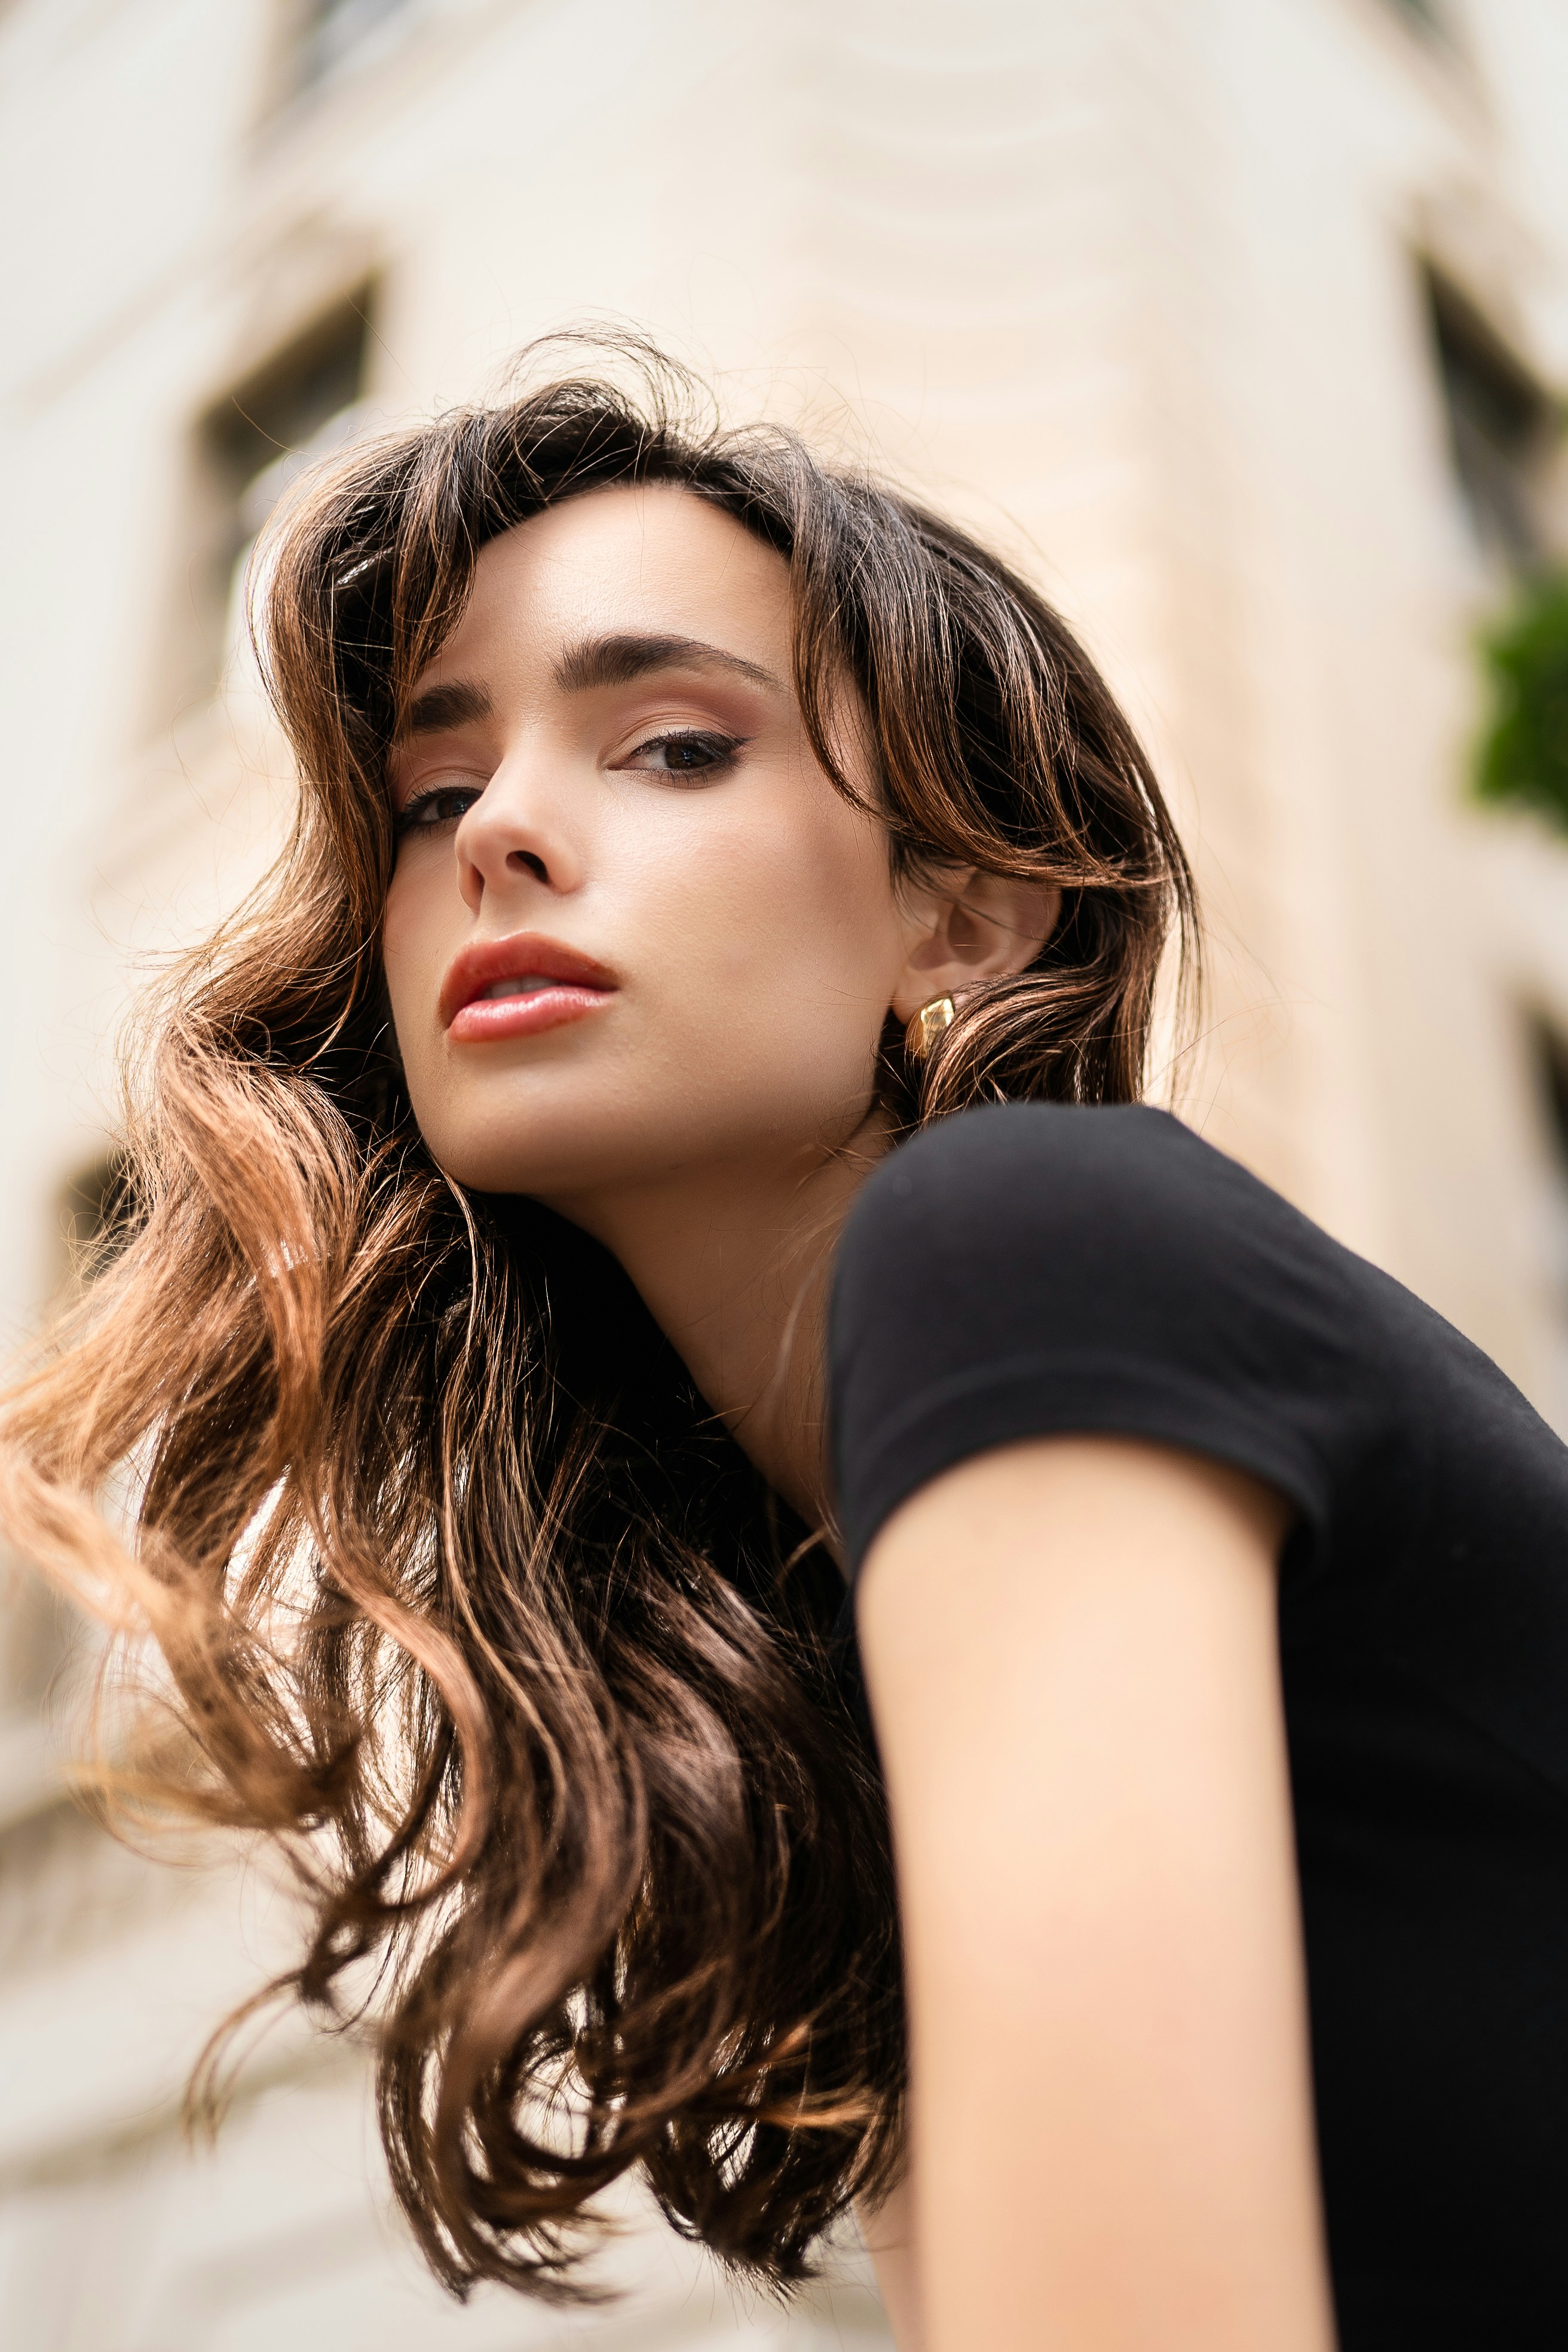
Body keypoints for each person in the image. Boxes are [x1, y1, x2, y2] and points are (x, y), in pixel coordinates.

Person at [5, 339, 1567, 2352]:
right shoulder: (816, 1663)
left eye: (671, 746)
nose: (498, 838)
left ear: (968, 919)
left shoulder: (1030, 1239)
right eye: (434, 789)